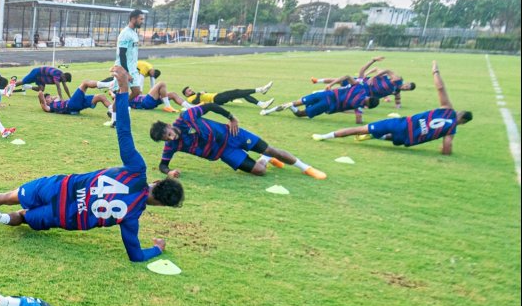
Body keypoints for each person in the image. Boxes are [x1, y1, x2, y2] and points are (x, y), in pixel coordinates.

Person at [0, 67, 182, 261]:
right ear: (161, 204)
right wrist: (157, 249)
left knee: (10, 195)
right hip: (64, 215)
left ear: (157, 181)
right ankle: (3, 218)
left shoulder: (137, 171)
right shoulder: (132, 216)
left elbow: (123, 131)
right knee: (25, 217)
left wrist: (123, 90)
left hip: (61, 186)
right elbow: (136, 255)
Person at [313, 61, 471, 154]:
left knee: (361, 129)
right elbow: (447, 146)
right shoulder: (451, 130)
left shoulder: (448, 109)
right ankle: (377, 136)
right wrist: (444, 151)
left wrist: (435, 70)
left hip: (403, 123)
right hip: (408, 138)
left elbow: (440, 88)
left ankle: (325, 136)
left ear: (458, 113)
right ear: (462, 122)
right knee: (390, 137)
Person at [150, 103, 327, 180]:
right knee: (259, 171)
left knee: (271, 149)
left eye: (169, 133)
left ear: (168, 125)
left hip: (233, 134)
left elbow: (210, 106)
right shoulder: (171, 146)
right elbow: (162, 165)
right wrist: (169, 172)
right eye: (166, 138)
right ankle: (264, 159)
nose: (171, 138)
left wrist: (231, 117)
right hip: (225, 153)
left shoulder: (186, 117)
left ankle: (306, 168)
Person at [261, 82, 379, 123]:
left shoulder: (360, 88)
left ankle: (268, 111)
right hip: (328, 105)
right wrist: (360, 118)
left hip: (325, 94)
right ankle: (291, 107)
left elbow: (346, 76)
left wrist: (331, 84)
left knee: (297, 102)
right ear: (368, 105)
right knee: (300, 114)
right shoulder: (358, 105)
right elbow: (358, 119)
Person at [114, 10, 145, 100]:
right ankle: (114, 110)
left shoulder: (134, 33)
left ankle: (119, 106)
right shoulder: (125, 33)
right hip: (123, 67)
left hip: (132, 68)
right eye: (141, 19)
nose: (142, 21)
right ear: (133, 19)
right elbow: (122, 54)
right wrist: (126, 73)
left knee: (136, 91)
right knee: (122, 92)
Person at [38, 80, 113, 116]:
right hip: (71, 104)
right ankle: (108, 84)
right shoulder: (48, 107)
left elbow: (57, 96)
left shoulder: (55, 102)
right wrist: (42, 95)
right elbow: (40, 95)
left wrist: (51, 98)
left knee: (100, 97)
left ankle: (112, 111)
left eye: (49, 96)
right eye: (47, 97)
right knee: (85, 83)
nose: (50, 97)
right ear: (45, 101)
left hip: (76, 106)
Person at [181, 82, 274, 108]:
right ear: (186, 94)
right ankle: (261, 89)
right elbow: (195, 102)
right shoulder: (189, 99)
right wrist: (198, 94)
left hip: (217, 97)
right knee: (237, 91)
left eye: (190, 89)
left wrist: (204, 92)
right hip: (216, 99)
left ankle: (261, 104)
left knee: (241, 94)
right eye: (189, 91)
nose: (191, 90)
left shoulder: (195, 94)